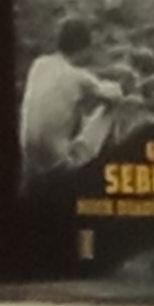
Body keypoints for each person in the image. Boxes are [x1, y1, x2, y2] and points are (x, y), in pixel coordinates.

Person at [19, 16, 123, 188]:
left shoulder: (39, 64)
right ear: (85, 48)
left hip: (29, 162)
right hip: (59, 166)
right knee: (113, 104)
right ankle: (113, 157)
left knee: (69, 106)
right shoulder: (79, 77)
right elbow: (115, 95)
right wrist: (112, 84)